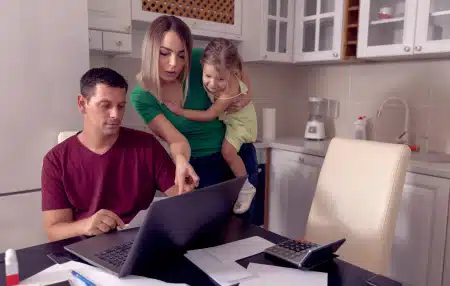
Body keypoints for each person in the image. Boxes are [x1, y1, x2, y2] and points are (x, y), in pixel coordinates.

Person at [41, 67, 198, 242]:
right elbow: (53, 232)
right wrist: (85, 225)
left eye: (121, 106)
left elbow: (181, 196)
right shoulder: (55, 160)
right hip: (85, 250)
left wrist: (187, 189)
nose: (115, 115)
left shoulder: (146, 145)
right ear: (82, 104)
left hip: (140, 244)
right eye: (105, 105)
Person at [130, 15, 259, 216]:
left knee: (243, 234)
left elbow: (236, 63)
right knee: (205, 237)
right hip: (200, 168)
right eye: (164, 53)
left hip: (237, 155)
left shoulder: (199, 62)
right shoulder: (142, 97)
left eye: (182, 55)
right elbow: (176, 140)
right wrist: (180, 160)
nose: (174, 63)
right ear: (150, 51)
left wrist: (248, 95)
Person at [166, 38, 257, 214]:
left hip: (240, 125)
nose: (213, 84)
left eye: (221, 78)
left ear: (234, 73)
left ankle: (246, 187)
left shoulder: (229, 90)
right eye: (208, 76)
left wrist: (180, 111)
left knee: (228, 152)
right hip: (230, 122)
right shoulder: (213, 64)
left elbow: (210, 114)